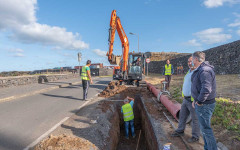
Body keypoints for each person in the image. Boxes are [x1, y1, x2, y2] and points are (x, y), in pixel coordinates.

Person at [191, 51, 217, 150]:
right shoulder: (201, 69)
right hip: (203, 104)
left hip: (204, 105)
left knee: (206, 129)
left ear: (196, 59)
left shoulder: (205, 70)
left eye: (193, 59)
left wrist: (199, 101)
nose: (192, 61)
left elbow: (206, 89)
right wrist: (196, 100)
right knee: (204, 129)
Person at [171, 56, 200, 143]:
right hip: (186, 99)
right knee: (182, 116)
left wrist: (196, 99)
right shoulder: (189, 72)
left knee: (195, 119)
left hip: (193, 100)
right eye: (188, 61)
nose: (189, 63)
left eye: (190, 61)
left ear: (195, 61)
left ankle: (195, 136)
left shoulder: (197, 72)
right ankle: (180, 131)